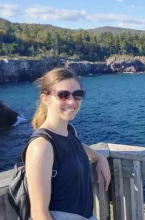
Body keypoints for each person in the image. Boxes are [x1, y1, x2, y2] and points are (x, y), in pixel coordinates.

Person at [25, 67, 111, 220]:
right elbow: (39, 213)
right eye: (63, 95)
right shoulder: (41, 146)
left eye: (77, 95)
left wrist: (99, 157)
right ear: (45, 99)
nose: (72, 102)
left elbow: (75, 147)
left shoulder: (69, 132)